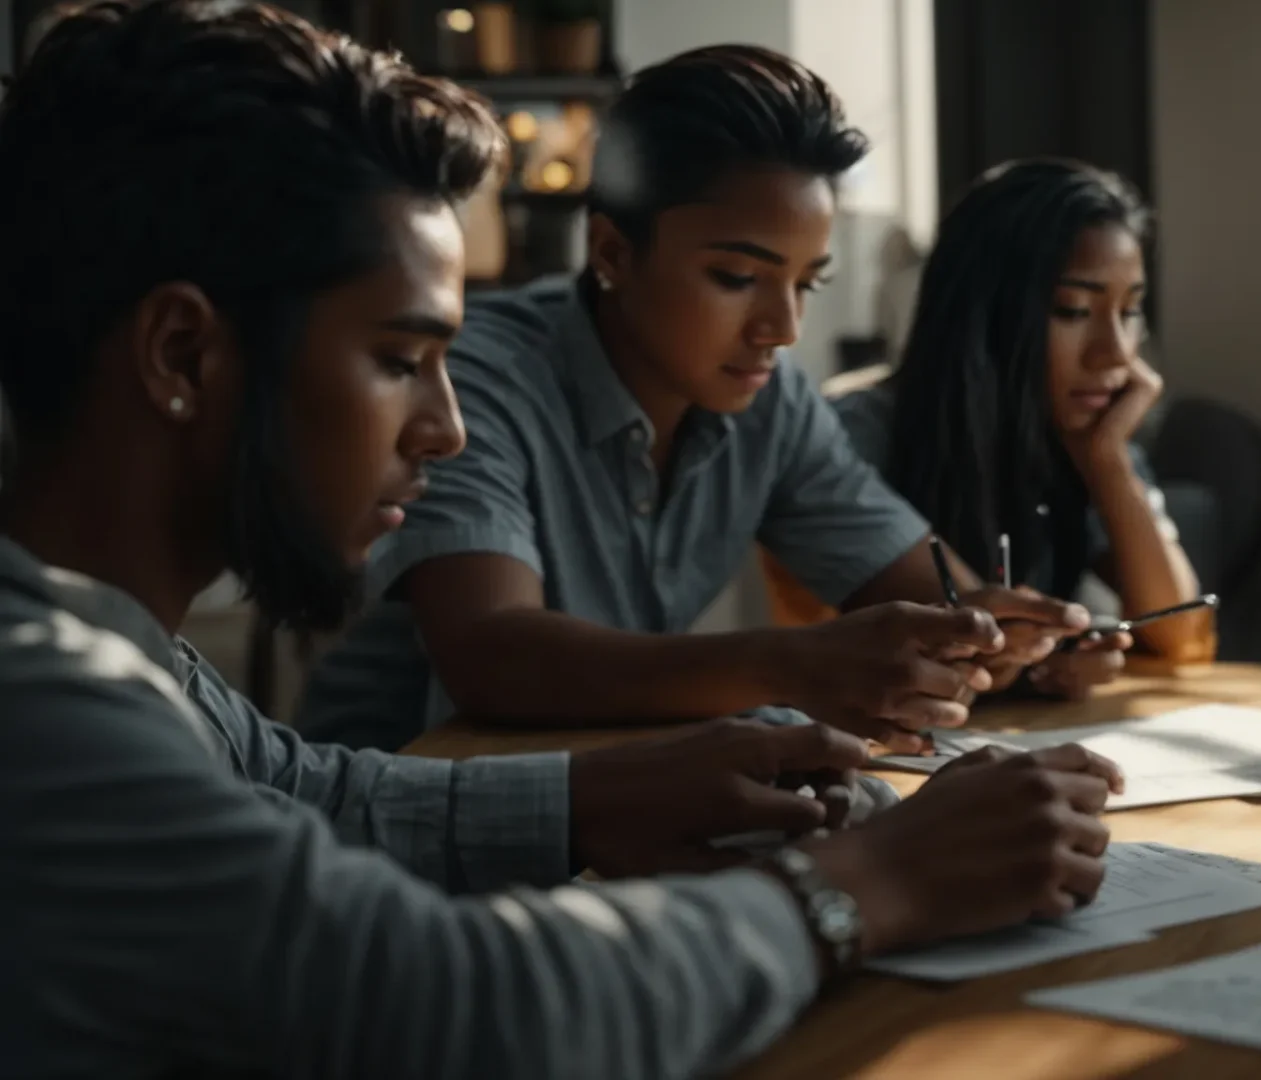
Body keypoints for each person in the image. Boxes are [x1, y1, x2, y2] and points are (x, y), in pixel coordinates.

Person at [0, 4, 1122, 1075]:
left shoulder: (131, 659)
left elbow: (318, 792)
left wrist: (605, 796)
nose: (442, 429)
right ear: (184, 357)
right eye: (399, 359)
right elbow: (462, 1009)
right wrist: (874, 882)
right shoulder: (42, 704)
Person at [298, 44, 1086, 753]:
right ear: (612, 251)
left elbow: (931, 597)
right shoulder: (480, 376)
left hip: (606, 799)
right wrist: (793, 662)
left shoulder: (771, 404)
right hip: (389, 814)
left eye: (807, 283)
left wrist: (1006, 636)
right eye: (737, 278)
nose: (781, 327)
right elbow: (494, 656)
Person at [767, 160, 1212, 700]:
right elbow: (886, 651)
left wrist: (1109, 462)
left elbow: (1180, 636)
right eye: (1072, 310)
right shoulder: (852, 436)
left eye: (1131, 311)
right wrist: (1022, 661)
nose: (1116, 351)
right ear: (984, 314)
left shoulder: (1088, 433)